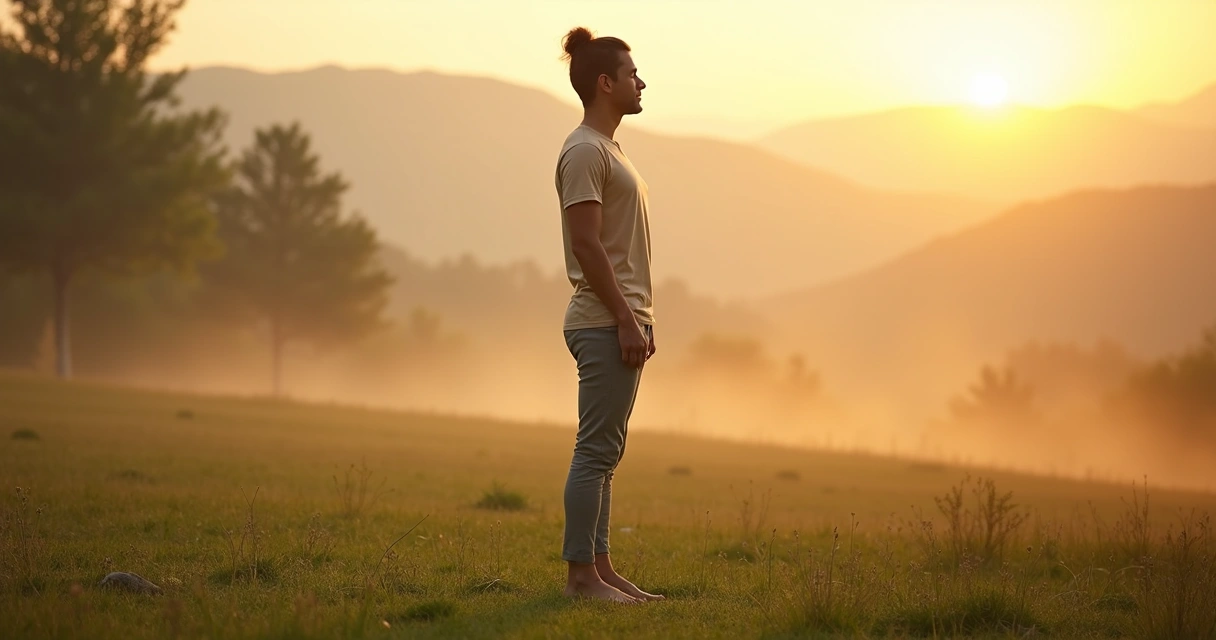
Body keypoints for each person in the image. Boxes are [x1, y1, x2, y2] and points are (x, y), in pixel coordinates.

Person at [554, 26, 663, 604]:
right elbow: (587, 246)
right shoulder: (583, 151)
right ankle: (579, 580)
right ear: (605, 83)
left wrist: (640, 317)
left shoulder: (608, 149)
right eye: (630, 73)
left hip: (620, 317)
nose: (640, 81)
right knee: (594, 451)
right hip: (600, 320)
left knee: (607, 455)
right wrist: (624, 317)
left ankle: (601, 569)